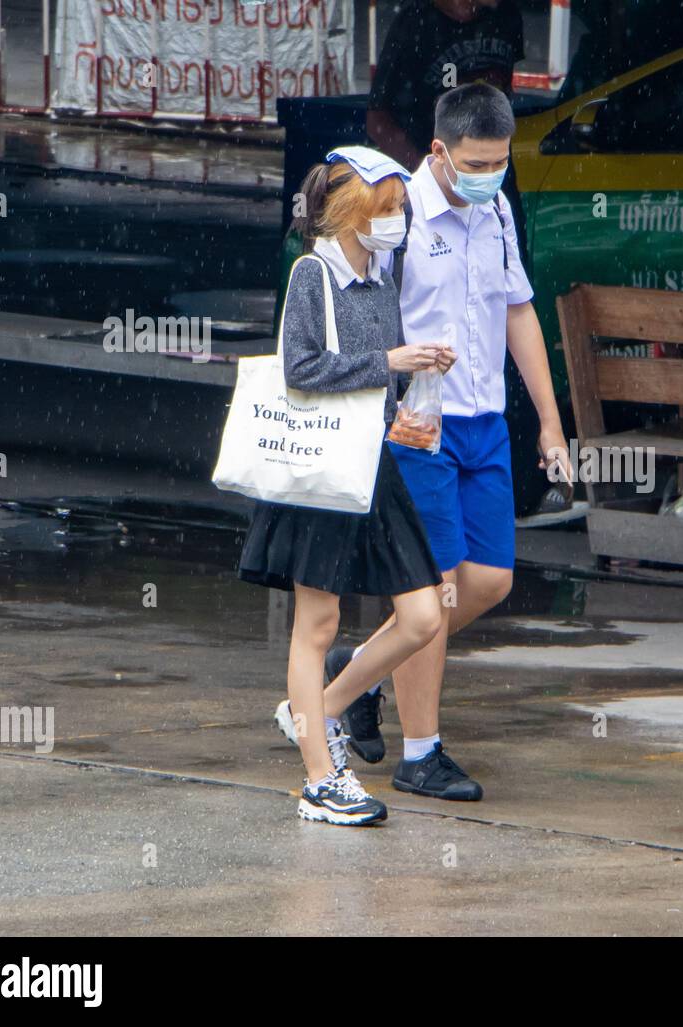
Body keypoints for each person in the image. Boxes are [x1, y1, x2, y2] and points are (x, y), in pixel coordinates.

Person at [277, 83, 571, 801]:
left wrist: (553, 422)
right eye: (476, 162)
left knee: (491, 580)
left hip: (486, 422)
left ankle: (352, 680)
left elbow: (519, 311)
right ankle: (422, 752)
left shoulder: (496, 208)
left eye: (500, 160)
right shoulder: (396, 215)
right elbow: (359, 312)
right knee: (434, 592)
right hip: (419, 428)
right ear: (438, 152)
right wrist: (384, 403)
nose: (490, 173)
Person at [240, 146, 456, 826]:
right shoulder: (313, 272)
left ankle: (316, 713)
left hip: (374, 460)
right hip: (323, 466)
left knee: (424, 612)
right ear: (353, 211)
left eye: (398, 209)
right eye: (386, 208)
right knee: (318, 622)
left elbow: (375, 377)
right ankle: (319, 778)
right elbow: (300, 367)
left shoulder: (380, 278)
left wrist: (416, 374)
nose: (396, 221)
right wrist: (390, 359)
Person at [366, 0, 531, 270]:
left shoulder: (506, 16)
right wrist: (429, 179)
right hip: (435, 193)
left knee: (506, 279)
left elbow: (518, 306)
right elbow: (377, 121)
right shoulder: (414, 24)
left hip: (496, 189)